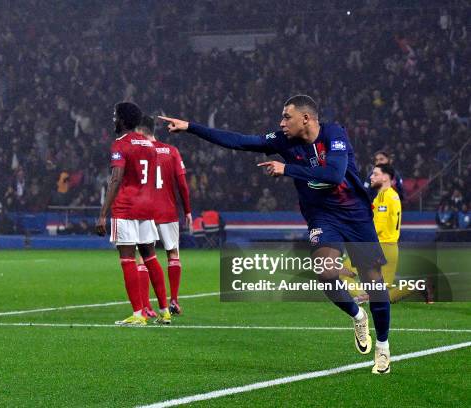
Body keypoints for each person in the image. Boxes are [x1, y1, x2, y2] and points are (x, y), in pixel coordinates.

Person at [159, 95, 392, 374]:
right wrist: (190, 127)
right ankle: (357, 315)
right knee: (325, 271)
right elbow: (240, 141)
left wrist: (287, 169)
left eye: (286, 117)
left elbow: (335, 174)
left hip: (355, 215)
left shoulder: (334, 133)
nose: (281, 123)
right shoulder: (282, 140)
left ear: (305, 118)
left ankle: (383, 347)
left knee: (375, 283)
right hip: (322, 216)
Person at [96, 102, 171, 326]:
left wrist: (102, 214)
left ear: (123, 120)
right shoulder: (149, 145)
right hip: (147, 207)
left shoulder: (120, 144)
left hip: (126, 208)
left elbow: (117, 178)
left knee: (127, 259)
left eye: (115, 116)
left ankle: (138, 314)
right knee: (150, 257)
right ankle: (165, 311)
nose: (113, 120)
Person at [135, 115, 192, 316]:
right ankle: (174, 301)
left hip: (144, 211)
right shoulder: (171, 151)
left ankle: (145, 307)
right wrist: (188, 210)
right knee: (173, 254)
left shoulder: (136, 152)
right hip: (167, 211)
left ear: (140, 131)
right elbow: (182, 185)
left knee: (143, 258)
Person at [341, 164, 406, 302]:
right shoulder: (392, 195)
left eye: (375, 174)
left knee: (340, 273)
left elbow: (378, 227)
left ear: (385, 177)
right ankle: (420, 286)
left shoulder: (384, 197)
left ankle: (363, 295)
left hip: (378, 246)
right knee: (383, 295)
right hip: (391, 247)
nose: (371, 176)